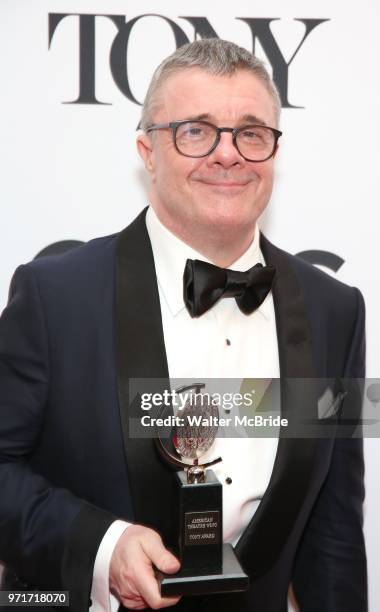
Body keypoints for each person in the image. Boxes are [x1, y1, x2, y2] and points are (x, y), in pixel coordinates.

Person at [0, 39, 367, 612]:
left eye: (251, 132)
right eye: (195, 130)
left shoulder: (334, 310)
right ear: (147, 151)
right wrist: (101, 544)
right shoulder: (55, 297)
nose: (229, 155)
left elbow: (335, 529)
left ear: (274, 150)